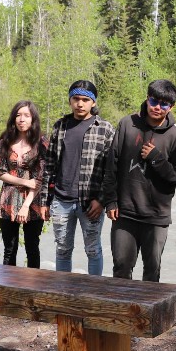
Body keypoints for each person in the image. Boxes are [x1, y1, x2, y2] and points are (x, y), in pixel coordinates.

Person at [102, 79, 176, 281]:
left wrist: (157, 158)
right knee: (121, 267)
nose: (157, 107)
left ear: (171, 107)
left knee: (152, 270)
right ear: (147, 99)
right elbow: (111, 165)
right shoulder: (127, 124)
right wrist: (110, 200)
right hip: (124, 212)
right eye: (153, 101)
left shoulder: (175, 136)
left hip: (156, 216)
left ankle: (147, 314)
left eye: (164, 104)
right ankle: (122, 311)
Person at [39, 81, 115, 276]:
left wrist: (101, 200)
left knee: (93, 249)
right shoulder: (60, 126)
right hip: (61, 200)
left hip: (90, 203)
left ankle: (93, 293)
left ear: (93, 102)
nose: (80, 104)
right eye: (76, 99)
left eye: (85, 100)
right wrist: (44, 201)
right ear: (70, 100)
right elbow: (49, 165)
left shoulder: (104, 129)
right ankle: (64, 292)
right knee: (63, 249)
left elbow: (111, 170)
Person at [0, 100, 46, 268]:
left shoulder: (42, 142)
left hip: (33, 201)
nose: (21, 119)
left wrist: (26, 205)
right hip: (8, 198)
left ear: (33, 119)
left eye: (26, 116)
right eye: (18, 115)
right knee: (10, 248)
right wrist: (24, 181)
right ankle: (8, 288)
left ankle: (33, 288)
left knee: (32, 246)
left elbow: (41, 178)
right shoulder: (6, 140)